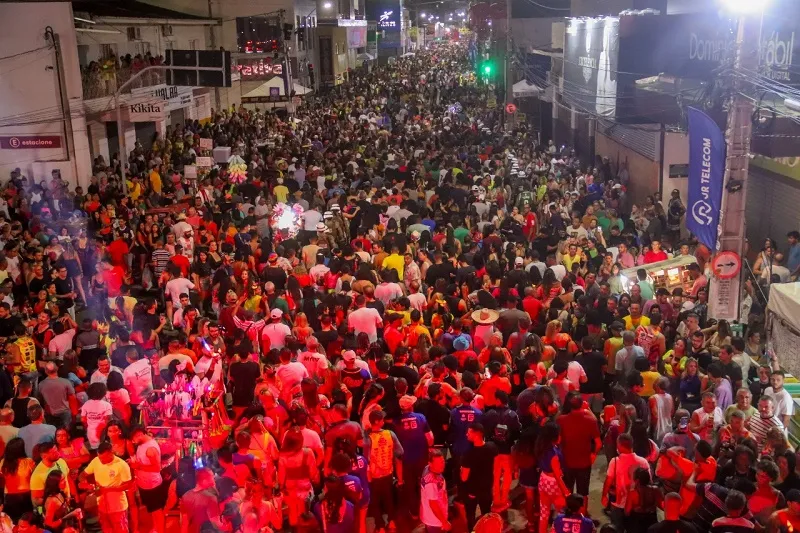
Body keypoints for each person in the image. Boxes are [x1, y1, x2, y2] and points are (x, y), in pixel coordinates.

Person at [79, 441, 134, 533]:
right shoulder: (96, 461)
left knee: (121, 529)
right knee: (106, 529)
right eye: (100, 458)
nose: (101, 461)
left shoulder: (122, 465)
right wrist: (85, 483)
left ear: (111, 453)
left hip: (117, 506)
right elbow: (82, 475)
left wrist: (106, 490)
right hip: (102, 505)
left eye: (103, 458)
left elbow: (128, 485)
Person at [602, 433, 651, 531]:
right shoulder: (643, 462)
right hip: (636, 505)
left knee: (616, 528)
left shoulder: (615, 461)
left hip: (618, 503)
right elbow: (648, 482)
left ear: (619, 445)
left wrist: (604, 496)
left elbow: (608, 481)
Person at [461, 422, 499, 532]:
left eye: (469, 433)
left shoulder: (468, 454)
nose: (466, 435)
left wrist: (460, 471)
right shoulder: (492, 447)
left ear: (477, 434)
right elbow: (496, 468)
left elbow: (464, 477)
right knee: (486, 514)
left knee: (471, 515)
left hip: (472, 491)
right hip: (487, 488)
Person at [420, 449, 450, 533]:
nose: (442, 465)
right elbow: (433, 504)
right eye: (438, 463)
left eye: (442, 461)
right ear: (430, 463)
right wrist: (444, 522)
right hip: (434, 521)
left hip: (431, 517)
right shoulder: (431, 483)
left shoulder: (428, 468)